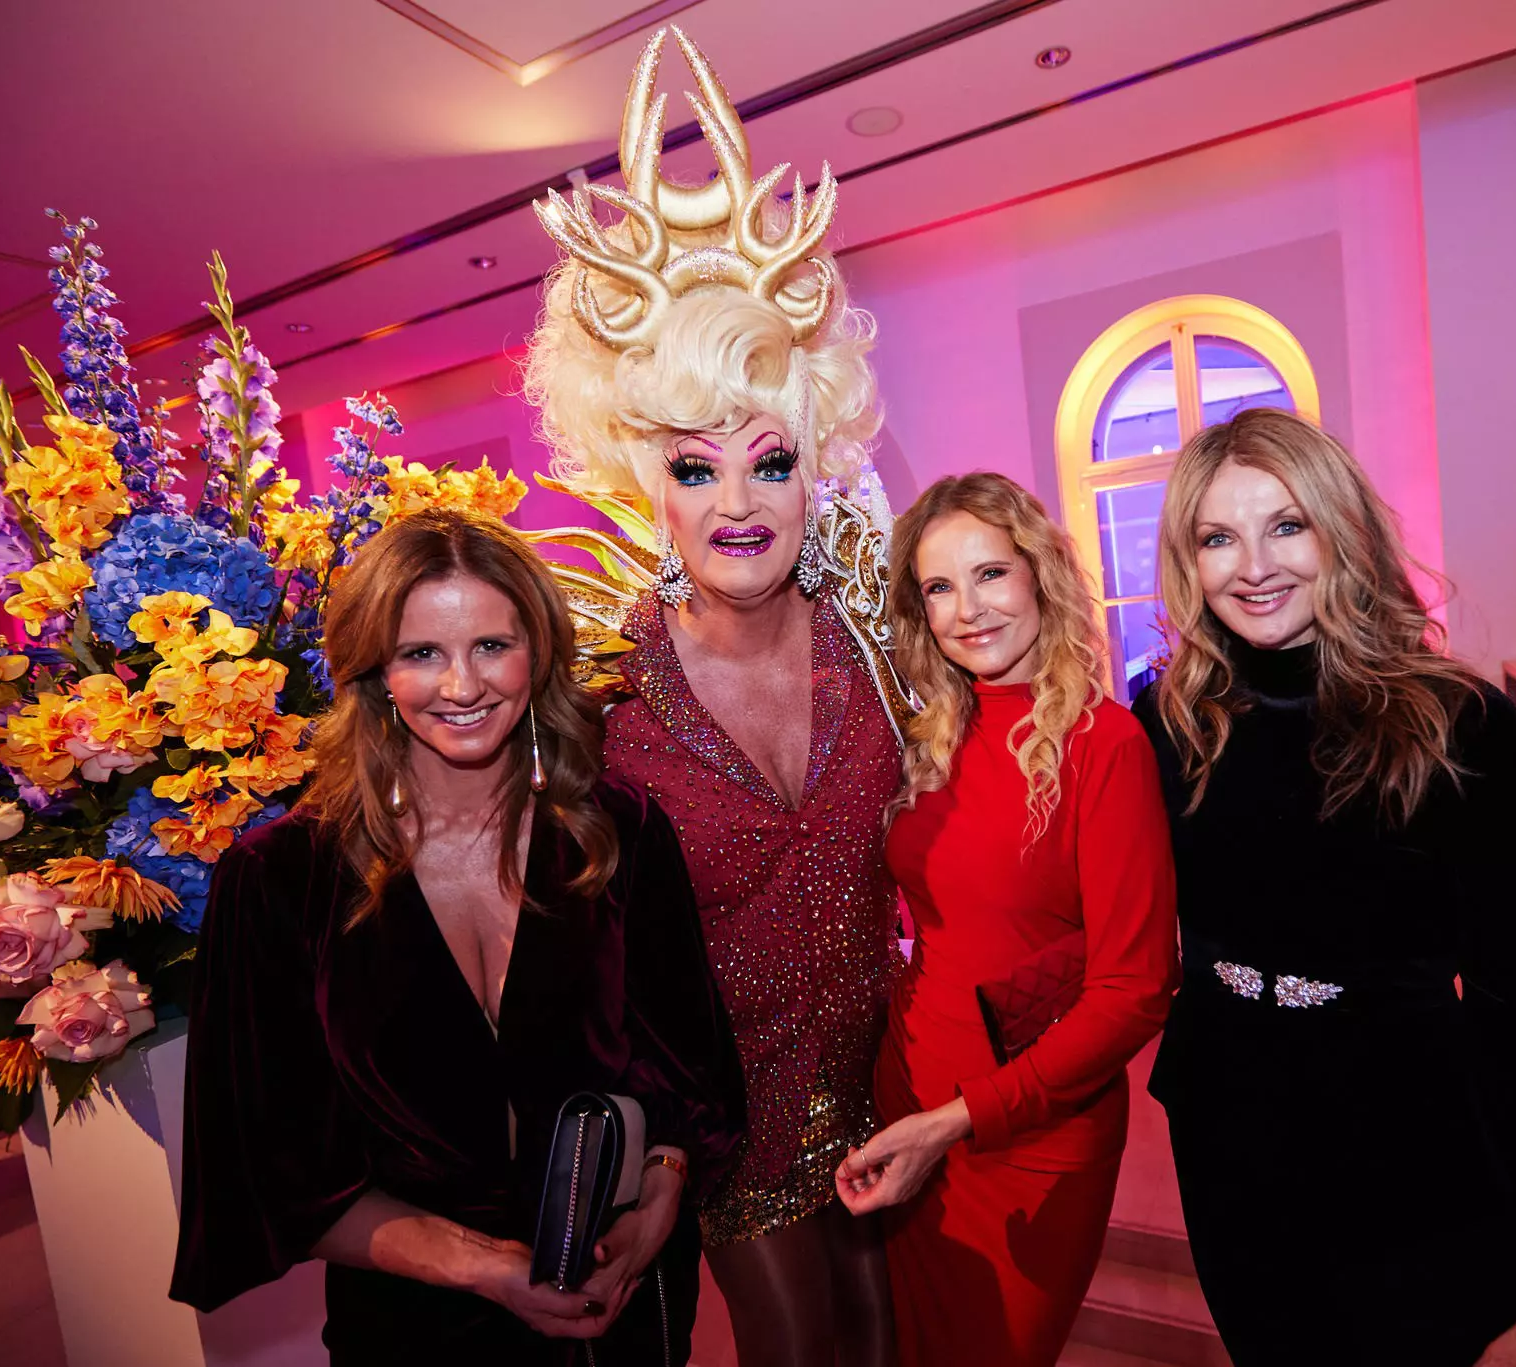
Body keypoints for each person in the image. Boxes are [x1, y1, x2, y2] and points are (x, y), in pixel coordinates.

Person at [522, 27, 911, 1365]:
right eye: (695, 469)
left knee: (888, 1344)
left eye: (769, 460)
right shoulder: (601, 697)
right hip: (725, 1123)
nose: (736, 503)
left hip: (885, 1090)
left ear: (819, 465)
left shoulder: (881, 648)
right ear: (645, 479)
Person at [169, 510, 745, 1365]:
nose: (462, 685)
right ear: (375, 672)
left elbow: (691, 1070)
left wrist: (661, 1196)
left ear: (538, 651)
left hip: (620, 1302)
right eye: (421, 653)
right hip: (418, 1324)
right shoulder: (282, 878)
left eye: (491, 645)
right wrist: (484, 1267)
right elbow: (268, 1168)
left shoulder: (617, 828)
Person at [1133, 409, 1516, 1365]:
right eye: (1217, 538)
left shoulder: (1459, 726)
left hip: (1409, 1134)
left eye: (1286, 525)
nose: (1253, 565)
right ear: (1188, 562)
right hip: (1231, 1128)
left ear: (1339, 528)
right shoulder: (1168, 721)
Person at [834, 473, 1179, 1367]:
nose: (966, 610)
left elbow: (1136, 991)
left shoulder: (1106, 744)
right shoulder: (925, 736)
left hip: (1028, 1130)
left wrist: (955, 1119)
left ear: (1040, 575)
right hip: (904, 1089)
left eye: (989, 574)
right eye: (939, 588)